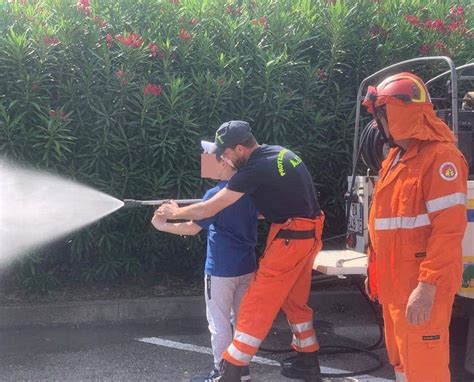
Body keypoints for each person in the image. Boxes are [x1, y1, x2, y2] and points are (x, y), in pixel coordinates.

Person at [156, 120, 324, 382]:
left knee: (257, 305)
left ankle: (231, 371)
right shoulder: (278, 153)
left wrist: (174, 213)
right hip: (309, 232)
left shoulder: (253, 169)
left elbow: (208, 209)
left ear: (239, 149)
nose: (222, 158)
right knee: (294, 300)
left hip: (290, 238)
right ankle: (307, 360)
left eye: (224, 154)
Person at [362, 72, 468, 382]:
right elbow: (384, 228)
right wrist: (376, 275)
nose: (379, 125)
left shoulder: (441, 158)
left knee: (425, 368)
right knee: (402, 363)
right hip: (397, 287)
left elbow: (448, 231)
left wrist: (427, 287)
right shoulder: (397, 158)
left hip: (420, 288)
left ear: (401, 113)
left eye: (383, 115)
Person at [152, 144, 258, 382]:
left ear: (224, 161)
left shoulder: (215, 195)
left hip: (220, 269)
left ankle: (222, 373)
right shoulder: (250, 190)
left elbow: (191, 228)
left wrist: (163, 224)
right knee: (241, 320)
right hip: (247, 267)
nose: (205, 160)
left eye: (210, 157)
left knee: (219, 322)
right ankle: (242, 370)